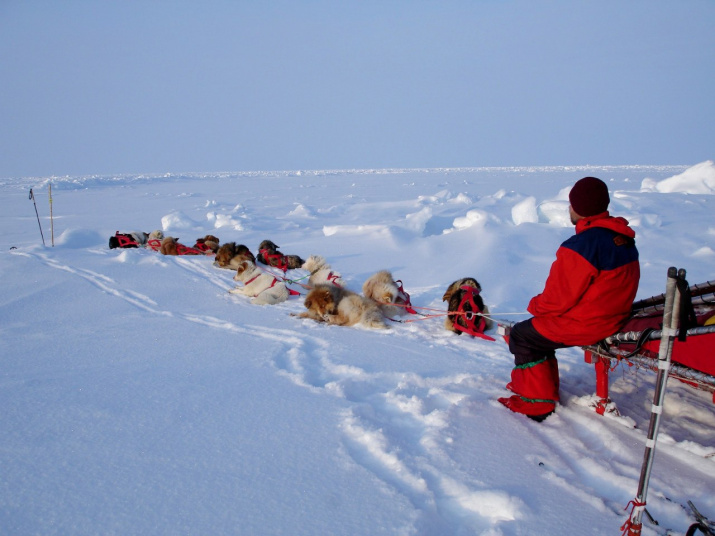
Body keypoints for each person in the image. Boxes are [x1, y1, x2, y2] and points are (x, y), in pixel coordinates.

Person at [499, 177, 640, 421]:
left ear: (578, 207)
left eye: (571, 204)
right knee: (535, 334)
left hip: (589, 323)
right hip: (613, 316)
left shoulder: (582, 245)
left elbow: (557, 299)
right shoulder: (622, 237)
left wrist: (535, 306)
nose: (569, 209)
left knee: (522, 336)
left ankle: (536, 402)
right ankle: (543, 387)